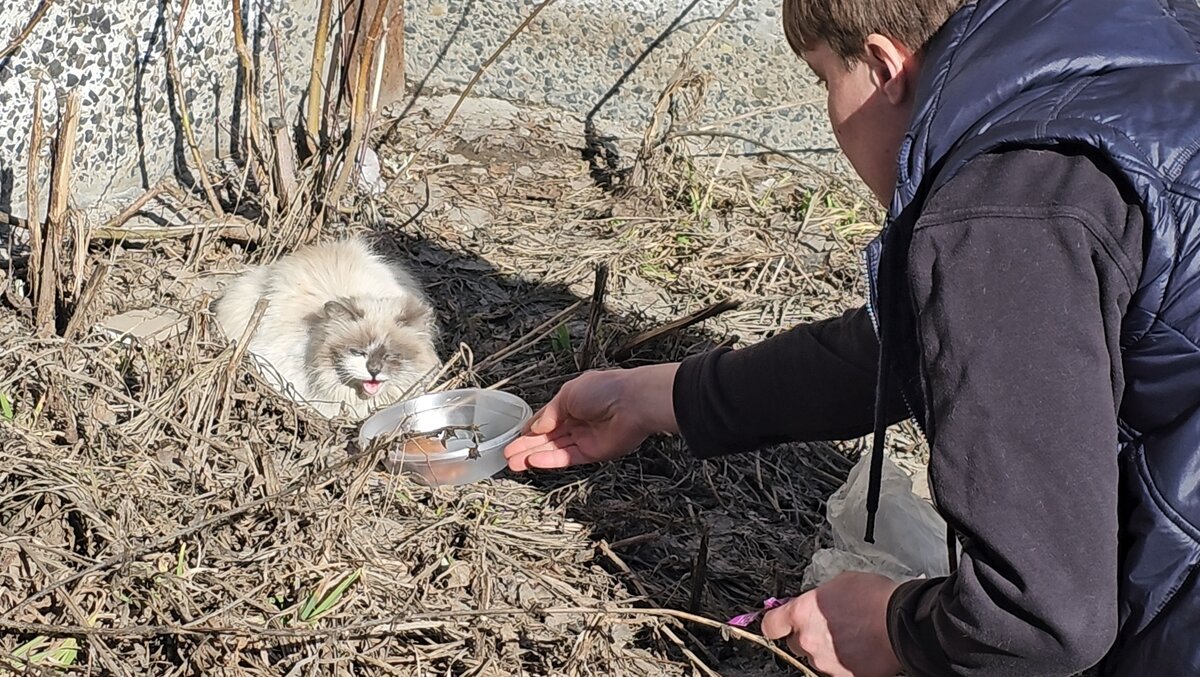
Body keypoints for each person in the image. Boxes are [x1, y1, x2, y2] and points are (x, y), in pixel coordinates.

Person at [505, 0, 1200, 674]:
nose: (829, 114)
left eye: (822, 80)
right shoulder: (1125, 46)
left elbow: (1041, 618)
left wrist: (892, 626)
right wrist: (657, 397)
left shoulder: (1004, 211)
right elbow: (954, 343)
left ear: (883, 63)